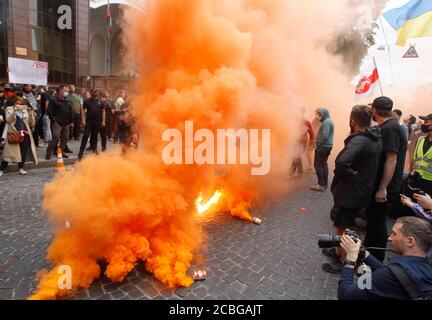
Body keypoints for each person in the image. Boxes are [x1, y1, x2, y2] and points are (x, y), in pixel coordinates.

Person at [322, 105, 382, 274]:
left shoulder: (360, 139)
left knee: (343, 225)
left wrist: (348, 174)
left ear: (353, 120)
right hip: (361, 189)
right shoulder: (375, 137)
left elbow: (341, 162)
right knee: (344, 224)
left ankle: (343, 260)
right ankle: (338, 250)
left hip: (351, 191)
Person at [338, 217, 432, 300]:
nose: (389, 238)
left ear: (410, 241)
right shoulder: (426, 266)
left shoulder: (387, 276)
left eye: (394, 234)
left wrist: (350, 258)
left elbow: (345, 295)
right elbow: (398, 274)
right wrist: (364, 253)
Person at [364, 97, 408, 262]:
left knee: (377, 222)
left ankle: (374, 261)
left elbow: (391, 159)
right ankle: (369, 257)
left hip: (386, 187)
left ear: (375, 110)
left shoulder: (390, 128)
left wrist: (383, 187)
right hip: (384, 184)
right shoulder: (390, 126)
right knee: (374, 220)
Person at [0, 96, 38, 177]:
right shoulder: (9, 109)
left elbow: (32, 123)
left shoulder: (26, 111)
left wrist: (31, 113)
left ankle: (21, 168)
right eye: (17, 103)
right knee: (8, 152)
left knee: (23, 151)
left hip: (24, 133)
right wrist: (14, 111)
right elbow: (8, 120)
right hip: (13, 133)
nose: (19, 105)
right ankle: (2, 169)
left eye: (20, 104)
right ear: (14, 103)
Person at [45, 85, 73, 160]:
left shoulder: (67, 101)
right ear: (60, 91)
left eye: (67, 91)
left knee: (65, 138)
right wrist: (53, 119)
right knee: (56, 137)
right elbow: (49, 110)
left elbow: (70, 112)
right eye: (65, 90)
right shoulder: (53, 100)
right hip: (57, 122)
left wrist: (71, 121)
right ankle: (48, 153)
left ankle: (60, 152)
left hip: (66, 123)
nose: (66, 92)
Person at [310, 108, 334, 191]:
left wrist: (318, 144)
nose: (318, 115)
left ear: (324, 113)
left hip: (323, 146)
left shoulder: (326, 123)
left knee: (318, 165)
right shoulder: (328, 121)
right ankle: (324, 184)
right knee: (323, 164)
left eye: (320, 114)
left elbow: (324, 136)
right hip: (327, 146)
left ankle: (321, 184)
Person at [78, 90, 106, 161]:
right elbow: (83, 110)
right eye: (94, 93)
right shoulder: (87, 101)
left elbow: (103, 111)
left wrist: (103, 121)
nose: (95, 94)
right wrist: (83, 120)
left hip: (97, 122)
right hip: (89, 122)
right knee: (85, 135)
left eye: (96, 93)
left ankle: (94, 149)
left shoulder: (100, 102)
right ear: (91, 94)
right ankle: (81, 152)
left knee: (95, 136)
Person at [411, 114, 432, 196]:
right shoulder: (420, 139)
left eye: (426, 122)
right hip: (415, 179)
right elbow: (416, 158)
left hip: (429, 183)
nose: (423, 124)